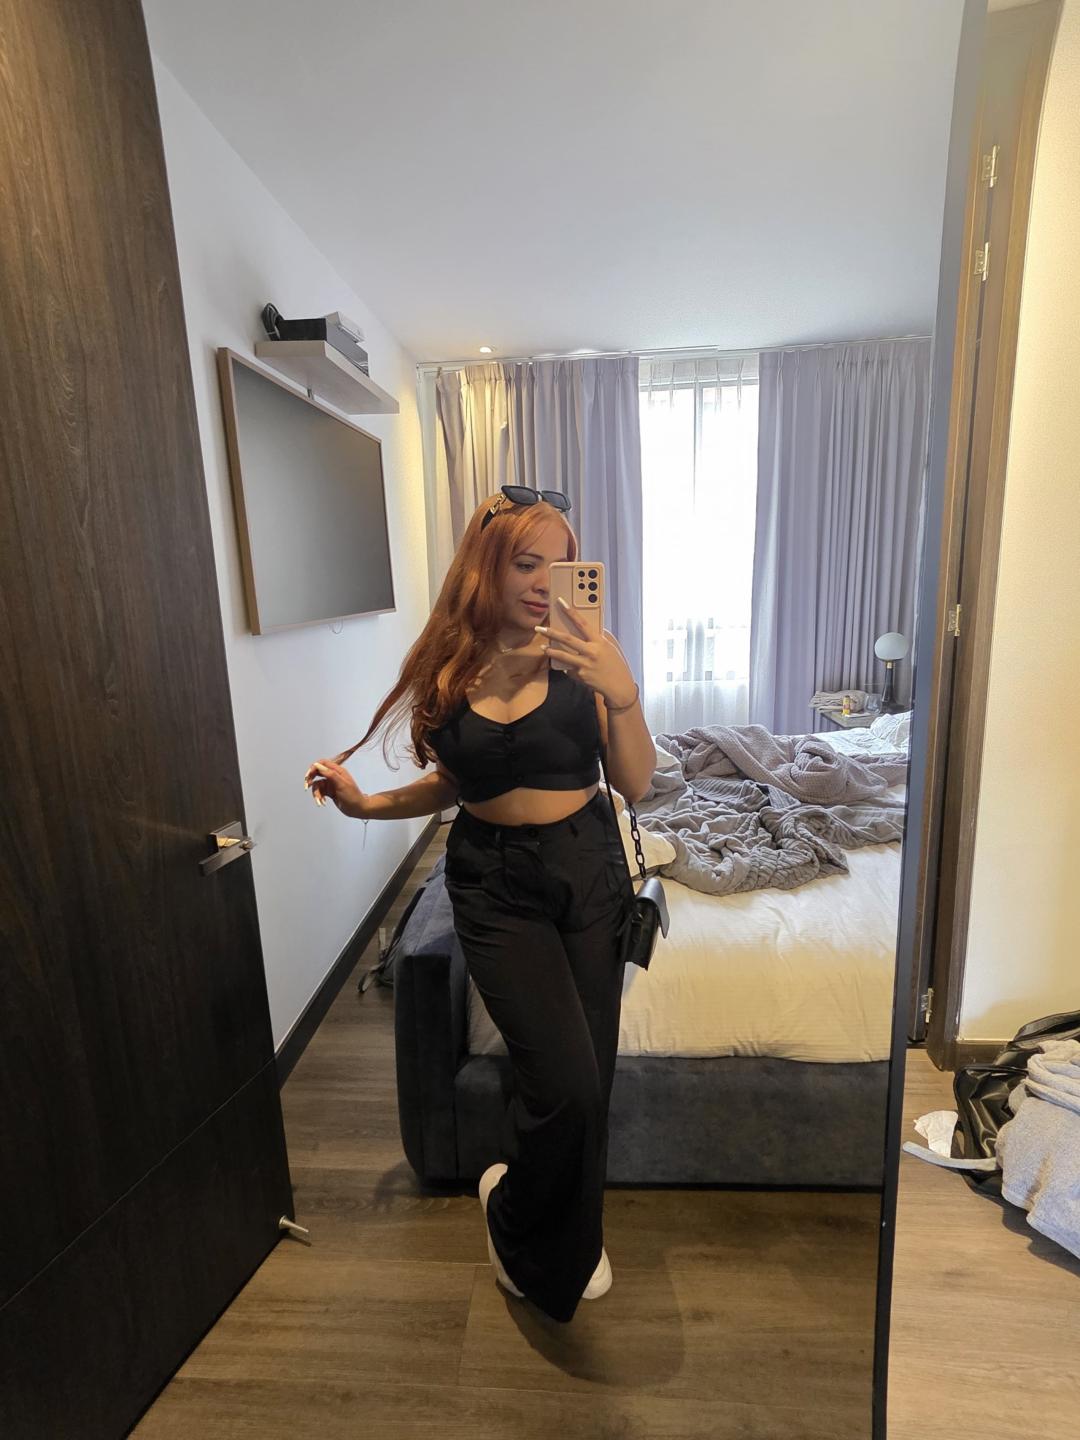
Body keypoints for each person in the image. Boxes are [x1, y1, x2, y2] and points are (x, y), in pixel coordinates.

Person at [302, 485, 655, 1323]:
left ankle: (563, 1232)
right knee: (560, 1079)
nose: (543, 582)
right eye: (526, 563)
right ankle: (517, 1216)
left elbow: (637, 783)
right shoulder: (451, 667)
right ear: (485, 567)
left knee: (590, 1079)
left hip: (586, 870)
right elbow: (455, 784)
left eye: (558, 564)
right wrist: (365, 806)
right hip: (493, 883)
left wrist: (623, 693)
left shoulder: (586, 656)